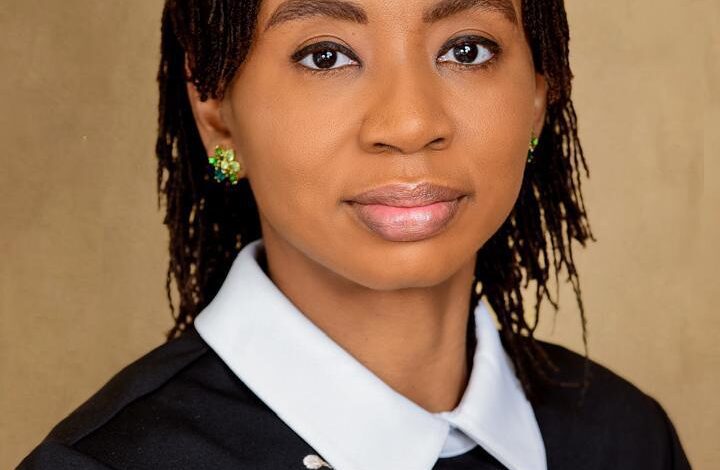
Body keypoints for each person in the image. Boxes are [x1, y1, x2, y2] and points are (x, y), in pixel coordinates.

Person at [18, 0, 691, 469]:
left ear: (540, 95)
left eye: (466, 49)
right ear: (216, 110)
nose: (409, 124)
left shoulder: (628, 439)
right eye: (325, 56)